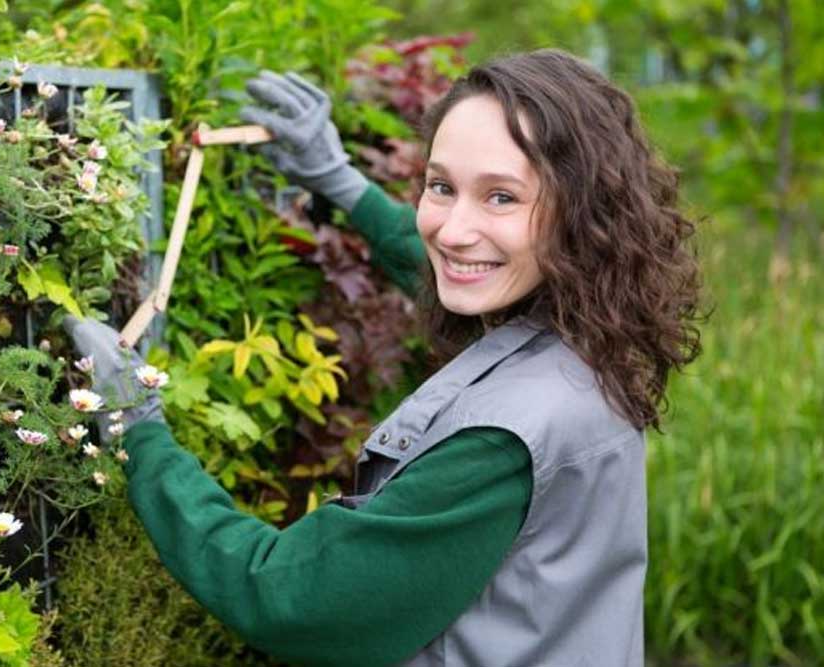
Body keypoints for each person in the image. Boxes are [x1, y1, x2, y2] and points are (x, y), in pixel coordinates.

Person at [65, 49, 702, 667]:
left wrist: (137, 423)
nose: (451, 230)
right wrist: (339, 180)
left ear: (582, 215)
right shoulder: (587, 334)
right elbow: (458, 269)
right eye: (440, 186)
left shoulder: (499, 443)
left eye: (501, 197)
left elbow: (294, 598)